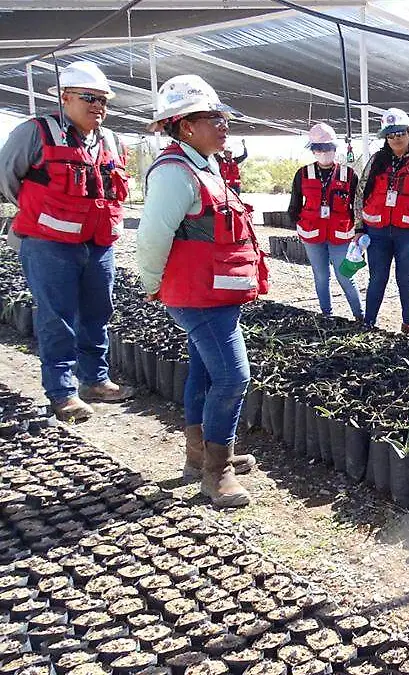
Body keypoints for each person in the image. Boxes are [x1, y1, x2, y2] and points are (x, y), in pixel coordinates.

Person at [138, 75, 269, 508]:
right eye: (213, 117)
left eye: (223, 116)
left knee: (205, 372)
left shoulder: (204, 166)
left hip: (213, 293)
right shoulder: (176, 172)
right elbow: (153, 235)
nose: (224, 124)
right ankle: (218, 471)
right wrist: (153, 284)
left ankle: (200, 454)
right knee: (233, 377)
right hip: (196, 296)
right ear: (184, 125)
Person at [0, 60, 133, 422]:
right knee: (57, 316)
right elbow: (8, 179)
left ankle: (95, 379)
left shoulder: (110, 140)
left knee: (97, 311)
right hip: (48, 243)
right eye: (89, 97)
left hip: (98, 243)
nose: (98, 106)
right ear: (64, 98)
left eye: (103, 100)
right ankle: (62, 391)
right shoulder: (35, 132)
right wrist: (41, 209)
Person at [356, 108, 409, 332]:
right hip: (376, 232)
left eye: (400, 133)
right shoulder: (376, 160)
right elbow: (360, 193)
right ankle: (369, 323)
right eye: (391, 134)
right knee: (377, 279)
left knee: (406, 280)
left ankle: (408, 325)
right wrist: (359, 227)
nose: (396, 138)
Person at [287, 122, 362, 320]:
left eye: (327, 147)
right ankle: (326, 315)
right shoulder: (303, 174)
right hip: (312, 235)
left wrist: (359, 231)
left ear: (334, 148)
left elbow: (358, 205)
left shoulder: (349, 175)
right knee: (321, 277)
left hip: (341, 235)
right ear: (313, 150)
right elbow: (294, 205)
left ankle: (360, 317)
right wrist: (301, 224)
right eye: (319, 148)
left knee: (345, 276)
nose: (323, 152)